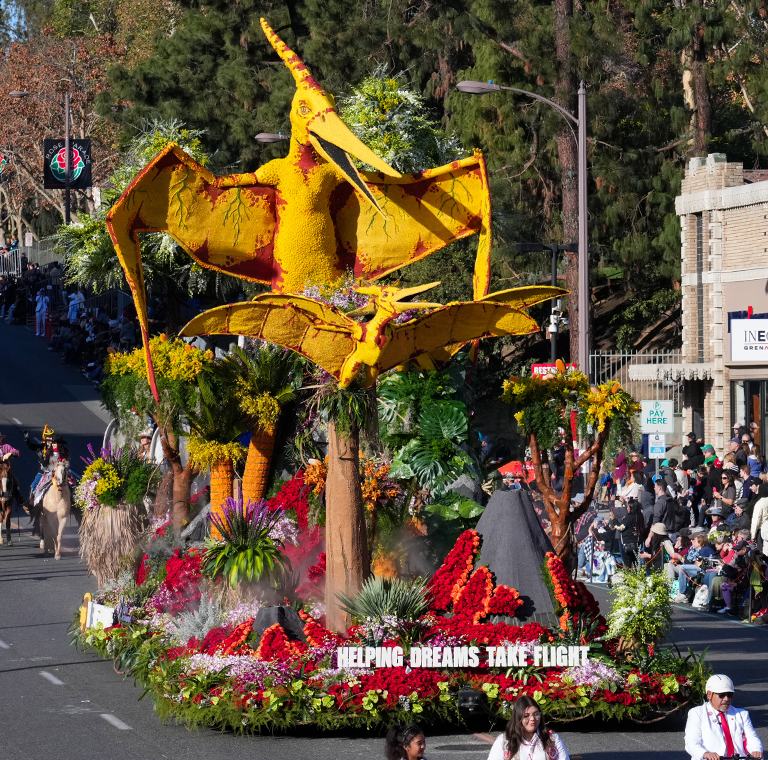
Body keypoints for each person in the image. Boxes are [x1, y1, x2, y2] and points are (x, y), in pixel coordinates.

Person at [684, 673, 762, 760]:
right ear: (709, 694)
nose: (726, 699)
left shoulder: (742, 714)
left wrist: (756, 750)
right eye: (721, 695)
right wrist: (705, 754)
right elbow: (691, 743)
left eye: (729, 695)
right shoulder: (697, 713)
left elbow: (752, 738)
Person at [487, 695, 570, 760]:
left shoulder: (552, 738)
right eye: (526, 716)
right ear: (518, 717)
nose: (532, 719)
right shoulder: (504, 741)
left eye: (536, 714)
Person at [669, 533, 715, 602]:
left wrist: (681, 558)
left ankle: (682, 593)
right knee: (671, 565)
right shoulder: (695, 549)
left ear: (700, 542)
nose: (692, 542)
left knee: (683, 568)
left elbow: (700, 563)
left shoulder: (705, 550)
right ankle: (680, 590)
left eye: (695, 541)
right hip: (696, 567)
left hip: (703, 569)